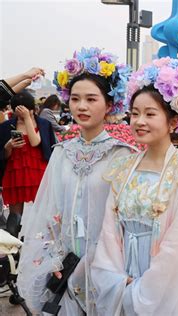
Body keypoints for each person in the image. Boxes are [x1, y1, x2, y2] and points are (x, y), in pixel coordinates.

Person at [91, 57, 178, 315]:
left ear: (173, 122)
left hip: (167, 285)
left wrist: (144, 290)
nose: (139, 121)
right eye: (134, 114)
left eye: (150, 114)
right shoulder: (123, 169)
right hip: (121, 277)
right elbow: (109, 232)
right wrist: (117, 282)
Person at [17, 47, 134, 315]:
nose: (82, 106)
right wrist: (50, 259)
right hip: (64, 268)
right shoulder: (62, 153)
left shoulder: (122, 156)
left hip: (107, 269)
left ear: (109, 104)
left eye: (91, 99)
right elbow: (49, 210)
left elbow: (126, 221)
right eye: (76, 98)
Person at [0, 91, 56, 237]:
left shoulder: (43, 123)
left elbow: (35, 142)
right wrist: (8, 147)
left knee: (44, 210)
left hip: (38, 169)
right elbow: (4, 156)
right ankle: (13, 247)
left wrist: (27, 118)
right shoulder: (6, 126)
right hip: (15, 170)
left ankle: (40, 243)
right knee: (15, 214)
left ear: (32, 109)